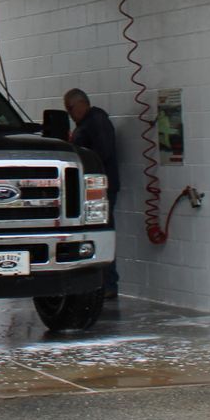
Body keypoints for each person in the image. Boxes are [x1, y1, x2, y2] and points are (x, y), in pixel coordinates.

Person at [63, 88, 121, 303]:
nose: (69, 114)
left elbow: (102, 153)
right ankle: (102, 283)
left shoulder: (96, 121)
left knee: (102, 233)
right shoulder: (88, 123)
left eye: (70, 109)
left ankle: (108, 283)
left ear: (80, 104)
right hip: (97, 188)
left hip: (101, 188)